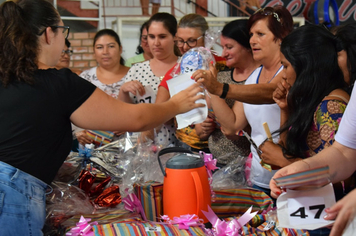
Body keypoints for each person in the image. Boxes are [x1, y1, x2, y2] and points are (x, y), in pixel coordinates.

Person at [0, 0, 204, 234]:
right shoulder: (57, 83)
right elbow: (135, 119)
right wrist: (175, 104)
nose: (64, 41)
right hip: (12, 195)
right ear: (49, 34)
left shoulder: (7, 77)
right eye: (63, 31)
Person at [193, 6, 293, 196]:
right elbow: (232, 125)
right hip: (257, 177)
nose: (253, 40)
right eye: (251, 34)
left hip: (287, 177)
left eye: (260, 34)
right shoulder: (255, 75)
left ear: (281, 37)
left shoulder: (288, 72)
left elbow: (272, 92)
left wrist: (221, 88)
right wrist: (212, 86)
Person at [260, 24, 350, 203]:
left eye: (285, 66)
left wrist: (286, 162)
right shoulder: (313, 100)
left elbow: (341, 180)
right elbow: (288, 148)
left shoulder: (330, 107)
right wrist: (285, 109)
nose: (283, 76)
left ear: (306, 66)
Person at [119, 12, 180, 146]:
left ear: (175, 37)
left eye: (162, 37)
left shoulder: (185, 67)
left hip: (178, 145)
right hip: (141, 146)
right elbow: (125, 113)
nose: (156, 43)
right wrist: (123, 91)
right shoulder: (137, 70)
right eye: (151, 37)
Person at [204, 19, 260, 166]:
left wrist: (214, 87)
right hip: (215, 163)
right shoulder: (221, 76)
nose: (223, 53)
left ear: (247, 46)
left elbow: (232, 129)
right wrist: (202, 125)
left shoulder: (258, 79)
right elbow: (205, 115)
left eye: (229, 47)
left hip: (246, 166)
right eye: (222, 47)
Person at [73, 29, 130, 147]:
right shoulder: (85, 78)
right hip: (91, 147)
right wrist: (78, 131)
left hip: (127, 147)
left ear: (120, 49)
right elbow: (72, 109)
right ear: (94, 51)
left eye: (111, 46)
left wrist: (130, 124)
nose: (105, 52)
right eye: (99, 47)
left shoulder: (134, 75)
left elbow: (144, 107)